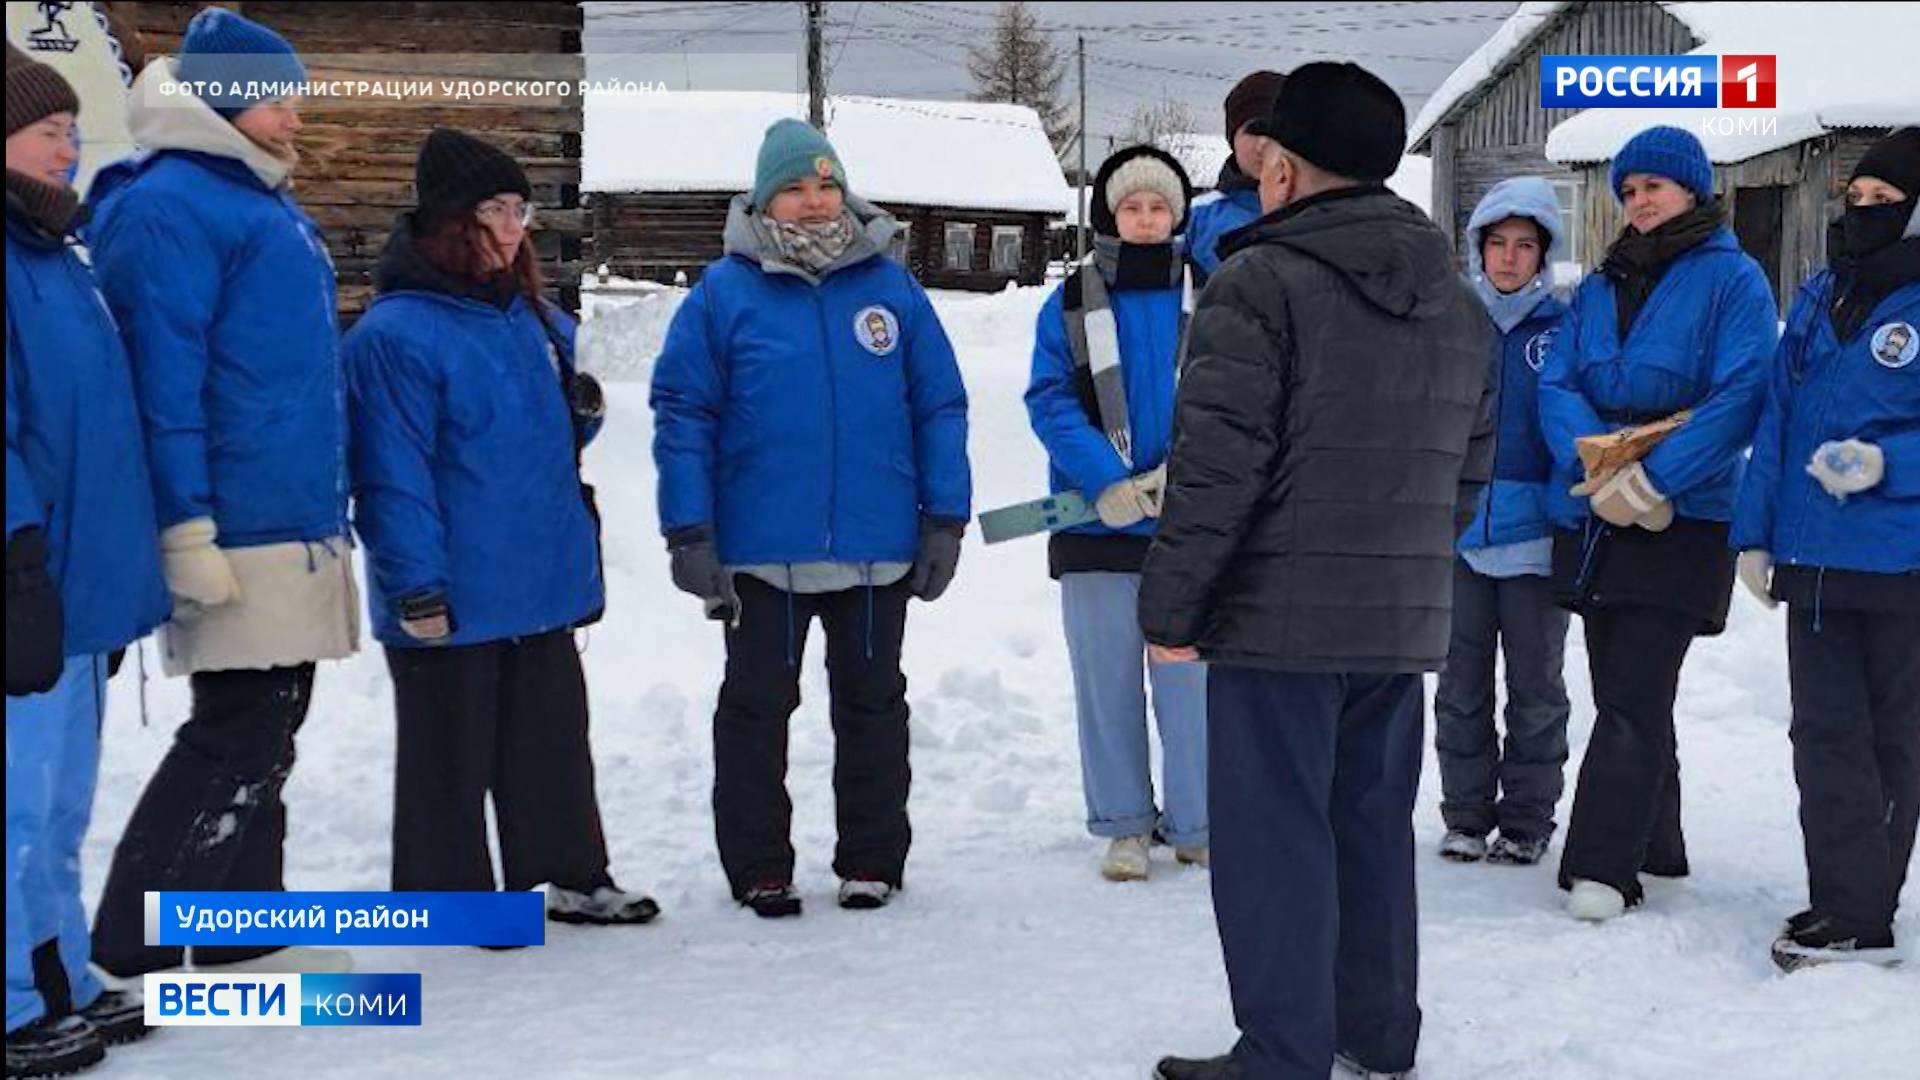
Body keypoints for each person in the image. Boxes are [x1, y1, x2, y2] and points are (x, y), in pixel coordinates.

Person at [1143, 62, 1496, 1080]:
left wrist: (1171, 604)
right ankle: (1377, 1033)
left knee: (1274, 838)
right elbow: (1471, 463)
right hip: (1396, 616)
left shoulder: (1259, 282)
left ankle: (1283, 1051)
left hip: (1277, 620)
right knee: (1371, 830)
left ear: (1286, 170)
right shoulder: (1456, 300)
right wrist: (1402, 559)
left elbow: (1215, 470)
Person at [83, 8, 359, 977]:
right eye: (281, 100)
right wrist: (184, 526)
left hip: (286, 515)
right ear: (230, 100)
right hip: (231, 521)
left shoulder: (248, 198)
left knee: (274, 718)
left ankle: (243, 917)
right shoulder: (170, 206)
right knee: (238, 728)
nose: (296, 118)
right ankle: (136, 937)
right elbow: (161, 378)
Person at [650, 119, 971, 918]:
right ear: (764, 198)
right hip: (763, 553)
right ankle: (759, 863)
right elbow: (683, 411)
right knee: (756, 711)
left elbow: (938, 406)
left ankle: (871, 858)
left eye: (826, 184)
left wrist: (945, 519)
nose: (813, 200)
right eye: (795, 186)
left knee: (873, 706)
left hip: (874, 549)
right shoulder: (724, 293)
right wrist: (689, 529)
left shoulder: (891, 289)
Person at [344, 129, 658, 926]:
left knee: (552, 744)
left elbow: (542, 442)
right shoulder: (394, 334)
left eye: (520, 207)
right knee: (448, 756)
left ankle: (572, 877)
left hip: (537, 576)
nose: (516, 225)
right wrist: (415, 585)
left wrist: (580, 414)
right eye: (496, 209)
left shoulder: (533, 320)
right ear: (452, 219)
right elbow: (391, 475)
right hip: (449, 583)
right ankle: (449, 902)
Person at [1541, 125, 1776, 922]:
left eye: (1655, 187)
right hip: (1604, 502)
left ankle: (1602, 868)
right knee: (1622, 681)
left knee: (1635, 685)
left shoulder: (1734, 280)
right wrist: (1599, 468)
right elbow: (1560, 381)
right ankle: (1658, 843)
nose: (1639, 201)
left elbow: (1741, 392)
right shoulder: (1601, 284)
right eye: (1629, 189)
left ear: (1692, 191)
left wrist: (1657, 478)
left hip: (1687, 510)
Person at [4, 44, 170, 1079]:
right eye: (47, 131)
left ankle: (56, 968)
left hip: (75, 587)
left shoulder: (53, 254)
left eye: (72, 130)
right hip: (23, 577)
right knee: (12, 802)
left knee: (59, 802)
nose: (69, 148)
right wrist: (16, 556)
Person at [1731, 126, 1920, 969]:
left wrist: (1889, 462)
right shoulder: (1816, 294)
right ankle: (1843, 899)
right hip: (1812, 557)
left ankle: (1864, 912)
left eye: (1888, 202)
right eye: (1860, 200)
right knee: (1822, 734)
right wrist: (1753, 533)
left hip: (1899, 559)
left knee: (1890, 738)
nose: (1868, 213)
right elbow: (1777, 416)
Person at [1025, 145, 1207, 881]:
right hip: (1095, 525)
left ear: (1177, 216)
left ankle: (1197, 820)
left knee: (1189, 681)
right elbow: (1050, 399)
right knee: (1107, 685)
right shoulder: (1068, 302)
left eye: (1158, 206)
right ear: (1109, 214)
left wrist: (1187, 476)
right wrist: (1107, 480)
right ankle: (1126, 824)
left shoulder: (1211, 293)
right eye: (1131, 206)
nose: (1144, 218)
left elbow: (1232, 396)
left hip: (1189, 523)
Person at [1434, 177, 1573, 868]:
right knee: (1459, 685)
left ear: (1543, 253)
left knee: (1536, 689)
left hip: (1537, 543)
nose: (1510, 258)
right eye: (1497, 244)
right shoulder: (1451, 321)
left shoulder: (1566, 328)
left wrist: (1562, 504)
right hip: (1458, 539)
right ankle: (1464, 814)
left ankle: (1526, 818)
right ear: (1477, 248)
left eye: (1525, 245)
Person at [1186, 70, 1283, 282]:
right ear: (1232, 138)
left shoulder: (1320, 214)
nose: (1263, 143)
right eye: (1252, 130)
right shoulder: (1195, 216)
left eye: (1274, 130)